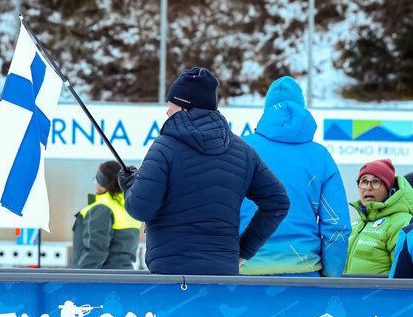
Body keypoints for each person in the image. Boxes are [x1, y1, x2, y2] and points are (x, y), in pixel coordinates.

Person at [118, 67, 290, 276]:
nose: (167, 111)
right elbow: (278, 202)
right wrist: (244, 251)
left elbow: (140, 209)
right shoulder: (244, 151)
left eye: (171, 104)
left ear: (184, 107)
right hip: (224, 273)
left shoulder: (164, 147)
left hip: (171, 273)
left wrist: (130, 186)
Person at [238, 77, 350, 277]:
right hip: (304, 275)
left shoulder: (240, 149)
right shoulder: (320, 156)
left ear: (267, 110)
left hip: (244, 273)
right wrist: (332, 276)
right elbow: (336, 226)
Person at [344, 159, 413, 275]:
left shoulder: (401, 222)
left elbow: (402, 275)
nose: (368, 187)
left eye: (376, 182)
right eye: (364, 181)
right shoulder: (356, 223)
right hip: (344, 287)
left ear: (388, 188)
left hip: (379, 288)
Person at [71, 160, 141, 269]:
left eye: (96, 180)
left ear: (102, 183)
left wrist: (79, 277)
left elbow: (95, 253)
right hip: (125, 273)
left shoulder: (102, 208)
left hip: (102, 276)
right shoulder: (129, 206)